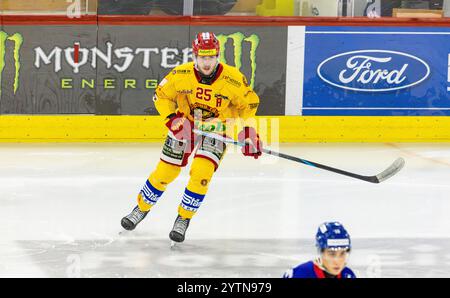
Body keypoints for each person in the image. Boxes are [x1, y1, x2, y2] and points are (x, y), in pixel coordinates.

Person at [120, 32, 262, 244]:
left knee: (201, 174)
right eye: (202, 57)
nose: (207, 62)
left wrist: (249, 131)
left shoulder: (233, 79)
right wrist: (171, 119)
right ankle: (140, 209)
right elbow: (162, 95)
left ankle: (183, 218)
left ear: (217, 56)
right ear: (195, 56)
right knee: (164, 173)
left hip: (217, 129)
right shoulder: (181, 73)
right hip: (185, 125)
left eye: (211, 57)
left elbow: (249, 106)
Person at [283, 222, 356, 278]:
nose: (337, 261)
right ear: (320, 253)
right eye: (332, 254)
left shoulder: (347, 274)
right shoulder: (300, 274)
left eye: (342, 253)